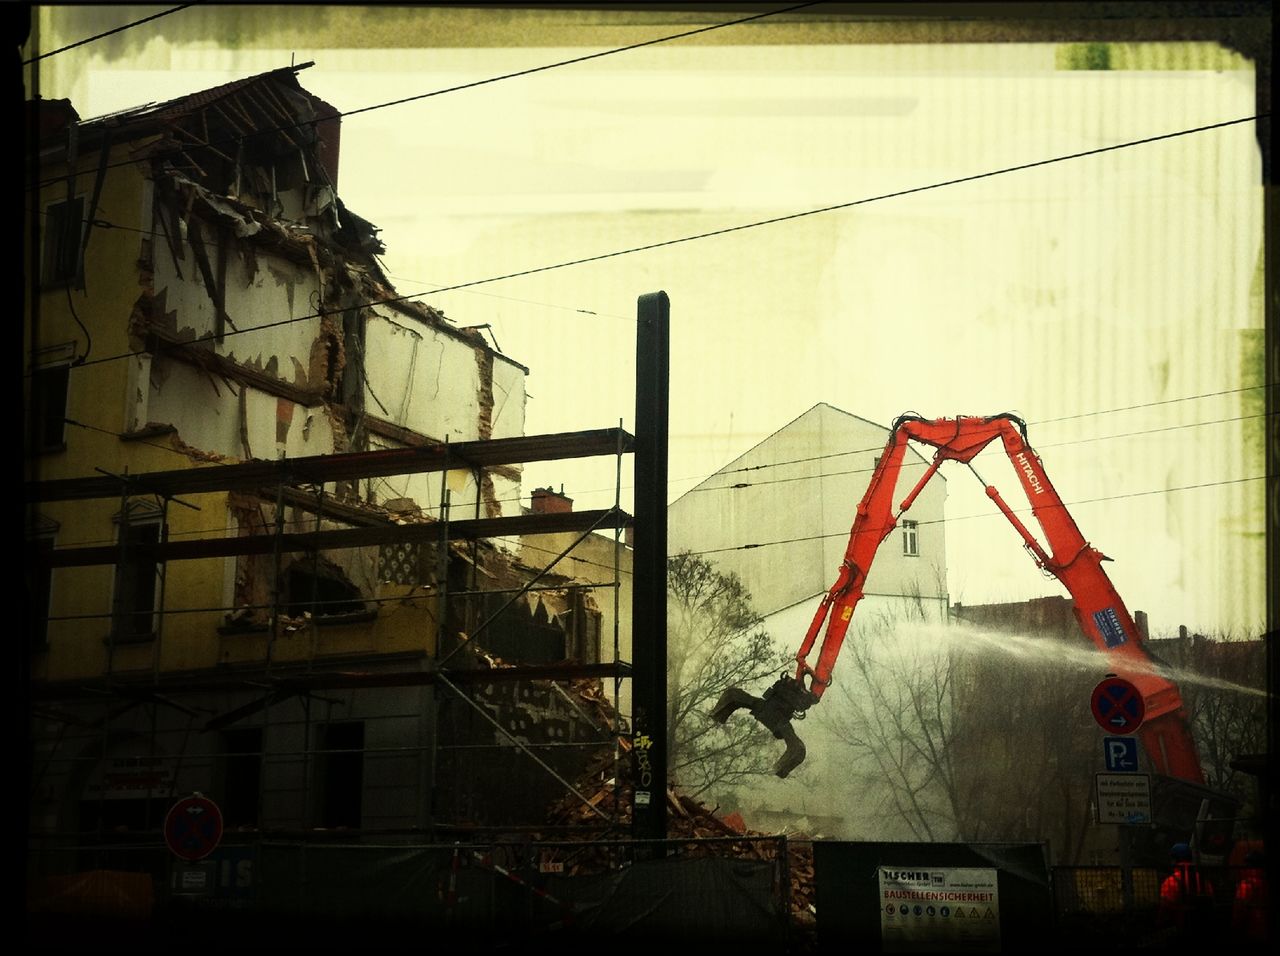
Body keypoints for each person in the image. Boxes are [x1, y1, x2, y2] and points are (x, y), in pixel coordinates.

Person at [1157, 843, 1217, 941]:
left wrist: (1159, 926)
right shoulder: (1203, 880)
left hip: (1180, 932)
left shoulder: (1172, 881)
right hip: (1203, 931)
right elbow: (1212, 903)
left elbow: (1164, 909)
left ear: (1174, 860)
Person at [1231, 850, 1268, 943]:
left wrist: (1235, 927)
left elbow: (1239, 910)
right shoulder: (1264, 882)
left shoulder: (1246, 885)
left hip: (1252, 930)